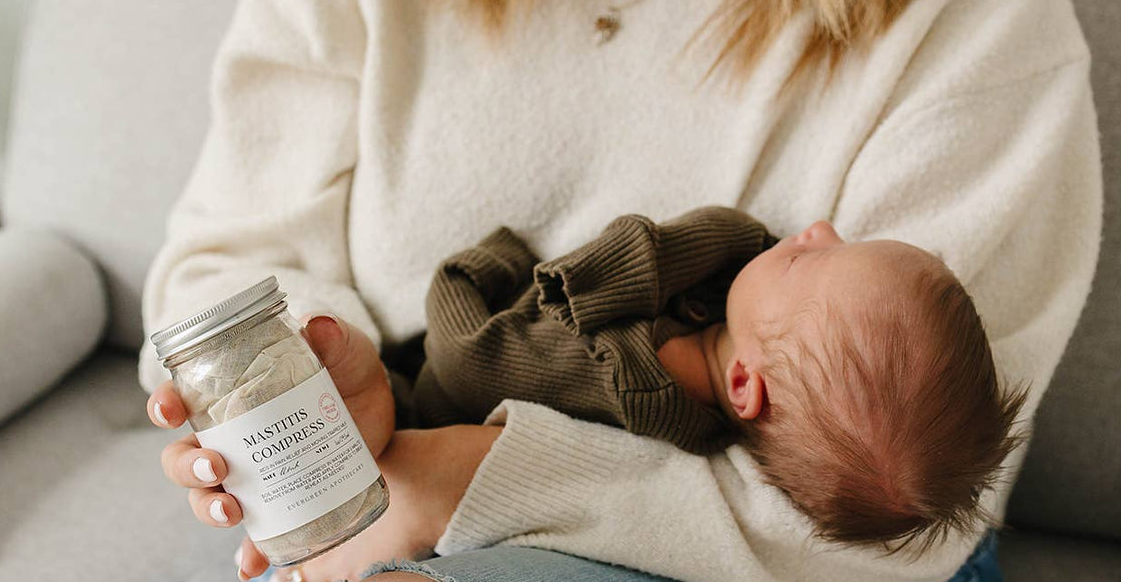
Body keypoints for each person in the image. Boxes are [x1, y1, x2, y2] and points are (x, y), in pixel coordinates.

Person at [137, 0, 1102, 582]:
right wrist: (313, 385)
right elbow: (229, 258)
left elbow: (891, 491)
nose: (809, 240)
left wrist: (480, 476)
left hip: (796, 580)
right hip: (388, 497)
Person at [401, 206, 1029, 551]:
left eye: (811, 259)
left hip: (416, 410)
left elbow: (466, 358)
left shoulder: (623, 380)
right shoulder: (746, 315)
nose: (815, 230)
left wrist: (482, 265)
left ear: (741, 385)